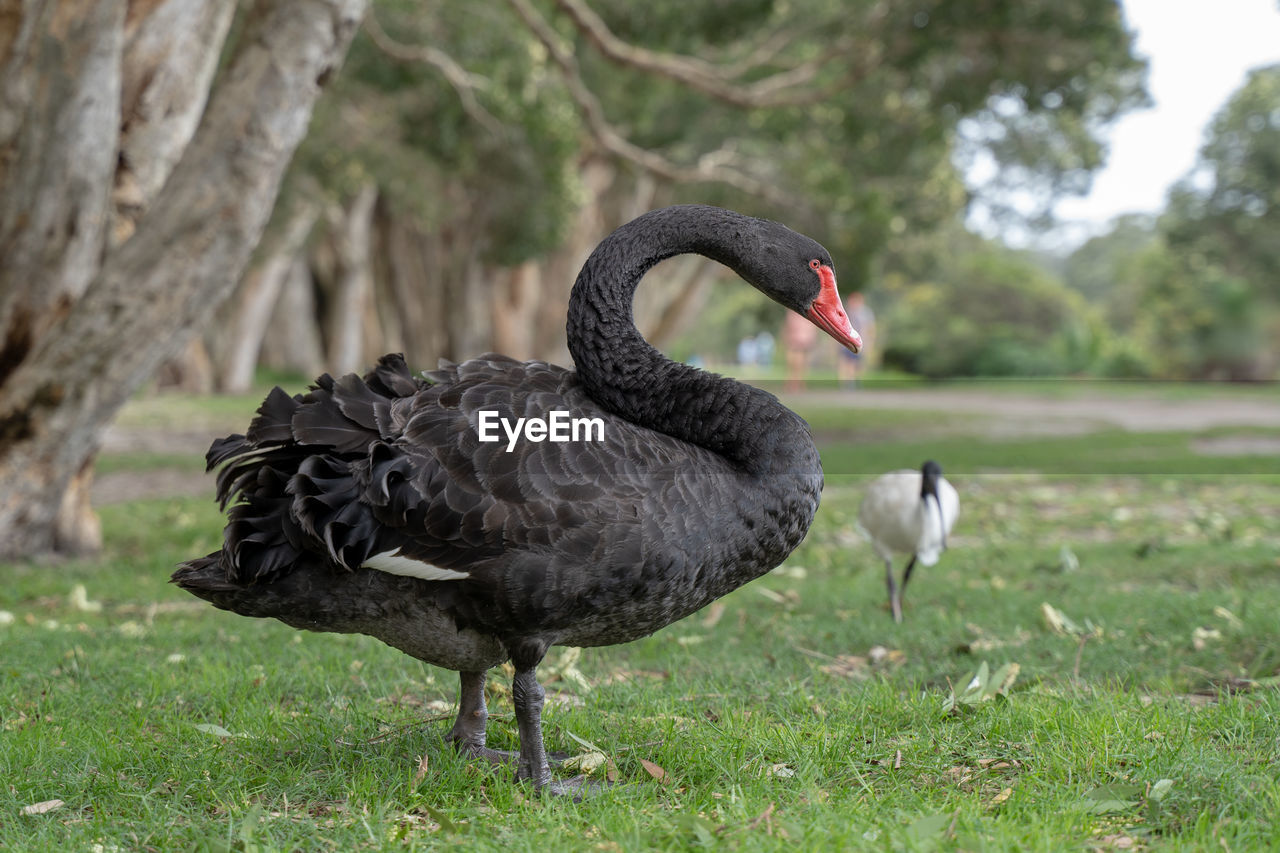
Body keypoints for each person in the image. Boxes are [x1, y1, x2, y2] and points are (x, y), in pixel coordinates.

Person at [838, 291, 875, 388]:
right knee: (847, 362)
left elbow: (870, 329)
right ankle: (847, 383)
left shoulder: (866, 314)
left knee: (857, 363)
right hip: (847, 341)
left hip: (860, 342)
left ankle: (855, 380)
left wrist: (869, 342)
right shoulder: (846, 312)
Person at [782, 310, 817, 391]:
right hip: (794, 341)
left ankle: (797, 384)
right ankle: (794, 384)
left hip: (802, 342)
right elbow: (788, 326)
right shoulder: (794, 313)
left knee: (800, 365)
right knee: (794, 365)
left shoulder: (806, 314)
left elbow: (811, 328)